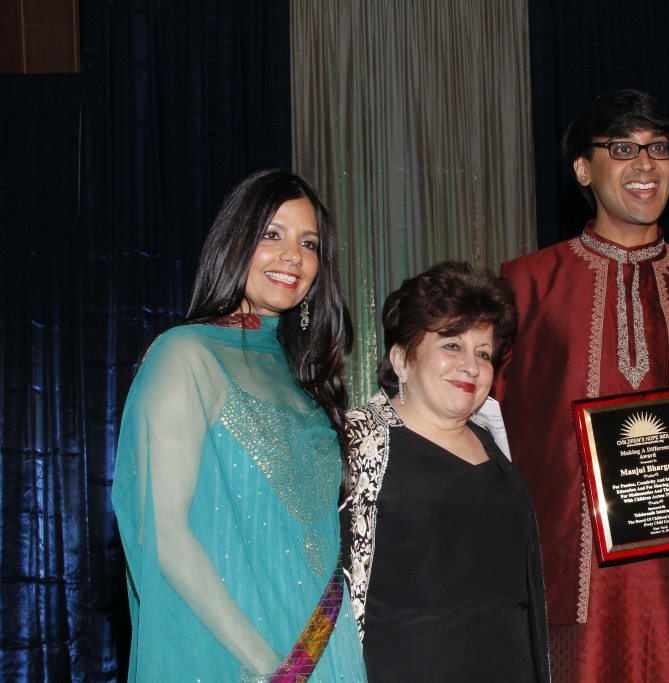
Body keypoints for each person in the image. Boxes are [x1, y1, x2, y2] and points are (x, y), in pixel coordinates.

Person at [495, 89, 669, 681]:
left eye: (659, 148)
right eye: (623, 148)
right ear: (585, 168)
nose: (645, 165)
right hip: (570, 586)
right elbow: (483, 423)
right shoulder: (525, 285)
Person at [112, 170, 366, 681]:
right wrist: (271, 666)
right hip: (238, 656)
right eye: (272, 234)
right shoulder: (186, 354)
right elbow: (162, 533)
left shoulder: (302, 379)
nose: (293, 255)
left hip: (322, 645)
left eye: (309, 243)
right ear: (234, 242)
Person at [343, 261, 549, 682]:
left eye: (484, 353)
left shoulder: (493, 443)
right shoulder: (357, 445)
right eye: (452, 345)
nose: (471, 367)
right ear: (402, 358)